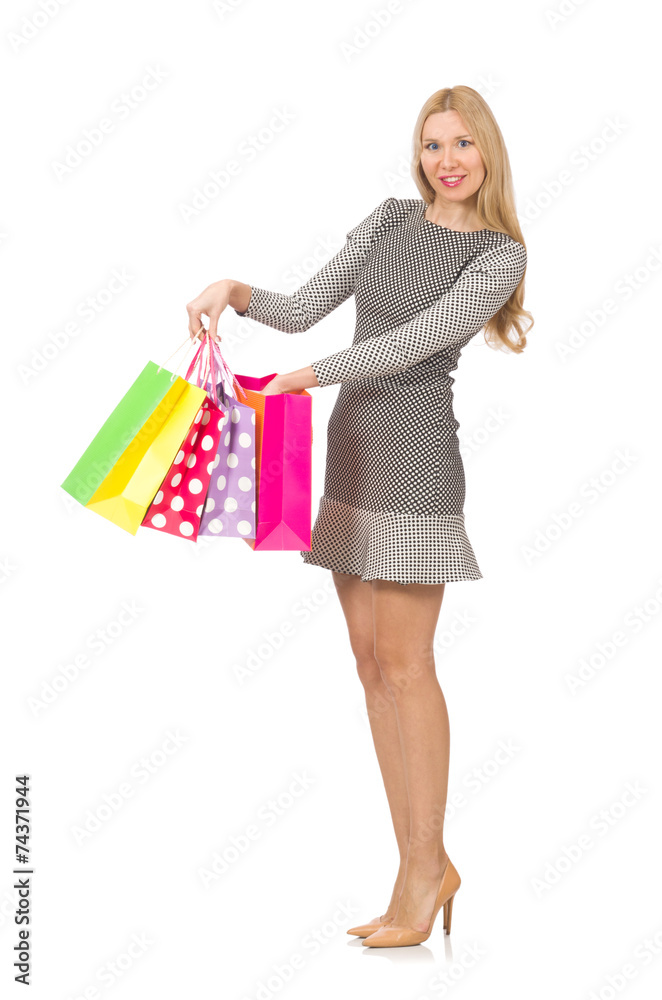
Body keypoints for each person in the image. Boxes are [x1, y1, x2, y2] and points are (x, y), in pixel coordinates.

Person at [186, 85, 533, 948]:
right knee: (371, 663)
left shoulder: (497, 256)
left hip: (416, 464)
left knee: (409, 666)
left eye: (461, 144)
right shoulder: (385, 220)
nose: (446, 160)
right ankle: (420, 864)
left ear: (487, 152)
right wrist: (234, 289)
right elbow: (305, 305)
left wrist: (308, 375)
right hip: (349, 456)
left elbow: (412, 341)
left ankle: (425, 873)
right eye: (430, 145)